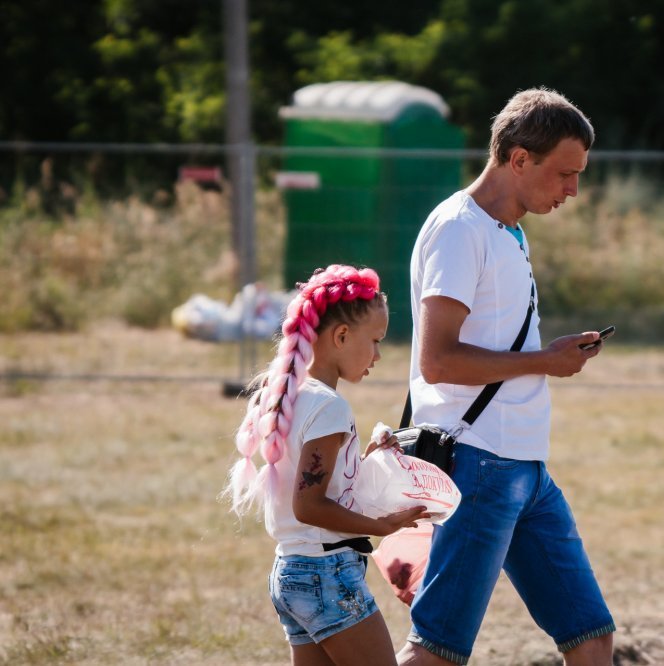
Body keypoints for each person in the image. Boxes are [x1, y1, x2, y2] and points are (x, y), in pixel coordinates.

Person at [398, 89, 615, 666]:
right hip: (479, 464)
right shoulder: (459, 230)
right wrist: (546, 360)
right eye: (564, 174)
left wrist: (549, 356)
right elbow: (438, 361)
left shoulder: (509, 231)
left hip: (525, 467)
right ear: (519, 159)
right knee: (437, 652)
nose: (573, 190)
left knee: (592, 637)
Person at [224, 264, 430, 666]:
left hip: (291, 572)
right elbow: (310, 505)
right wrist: (382, 527)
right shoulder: (329, 406)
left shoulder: (290, 394)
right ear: (341, 336)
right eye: (375, 341)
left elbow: (320, 486)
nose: (378, 355)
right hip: (326, 574)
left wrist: (369, 457)